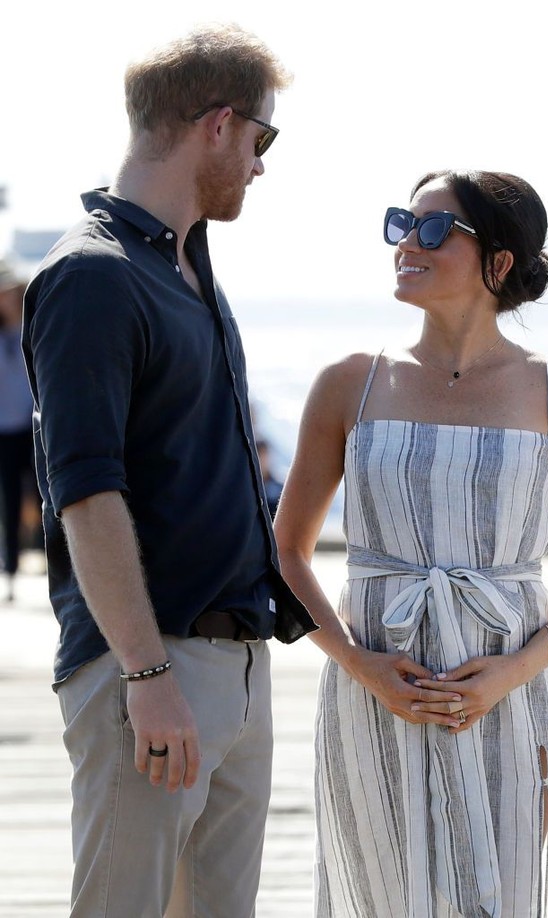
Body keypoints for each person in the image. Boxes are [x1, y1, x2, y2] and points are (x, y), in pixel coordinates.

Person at [274, 170, 548, 917]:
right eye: (402, 223)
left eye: (434, 230)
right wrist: (359, 663)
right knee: (382, 898)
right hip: (376, 689)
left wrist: (511, 675)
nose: (408, 243)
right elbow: (287, 552)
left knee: (502, 901)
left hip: (512, 692)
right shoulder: (350, 383)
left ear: (498, 262)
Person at [21, 24, 315, 918]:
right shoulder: (94, 275)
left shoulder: (187, 266)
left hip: (236, 666)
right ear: (219, 124)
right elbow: (85, 491)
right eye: (262, 139)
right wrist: (146, 677)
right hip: (150, 672)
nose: (260, 166)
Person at [0, 259, 39, 601]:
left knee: (48, 496)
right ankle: (10, 572)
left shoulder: (35, 328)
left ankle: (64, 569)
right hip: (5, 433)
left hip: (35, 429)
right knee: (10, 501)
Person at [256, 438, 284, 518]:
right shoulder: (249, 487)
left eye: (265, 455)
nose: (263, 461)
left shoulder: (279, 486)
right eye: (260, 456)